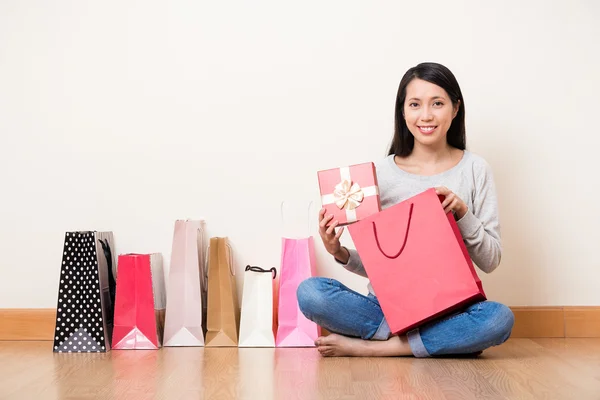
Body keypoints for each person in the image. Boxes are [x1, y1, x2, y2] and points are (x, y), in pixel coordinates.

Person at [297, 62, 515, 358]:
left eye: (437, 103)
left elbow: (490, 260)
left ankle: (381, 348)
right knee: (310, 293)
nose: (426, 115)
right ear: (403, 111)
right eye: (415, 104)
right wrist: (339, 252)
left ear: (455, 108)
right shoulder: (380, 175)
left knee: (499, 319)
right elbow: (383, 264)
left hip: (450, 307)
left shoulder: (476, 169)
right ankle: (427, 342)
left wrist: (463, 214)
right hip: (387, 306)